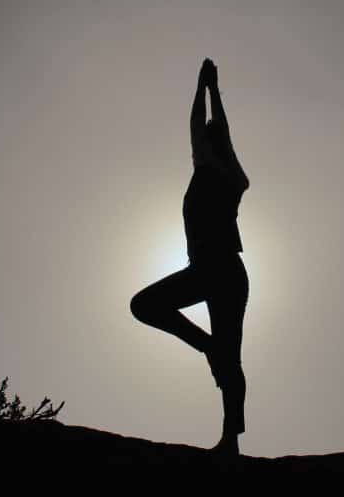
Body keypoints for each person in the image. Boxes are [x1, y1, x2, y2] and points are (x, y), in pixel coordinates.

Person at [130, 58, 250, 455]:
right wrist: (215, 91)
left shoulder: (210, 167)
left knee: (144, 305)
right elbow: (222, 132)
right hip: (232, 272)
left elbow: (201, 127)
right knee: (231, 357)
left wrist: (203, 89)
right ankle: (230, 439)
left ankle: (207, 348)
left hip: (212, 268)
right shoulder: (234, 177)